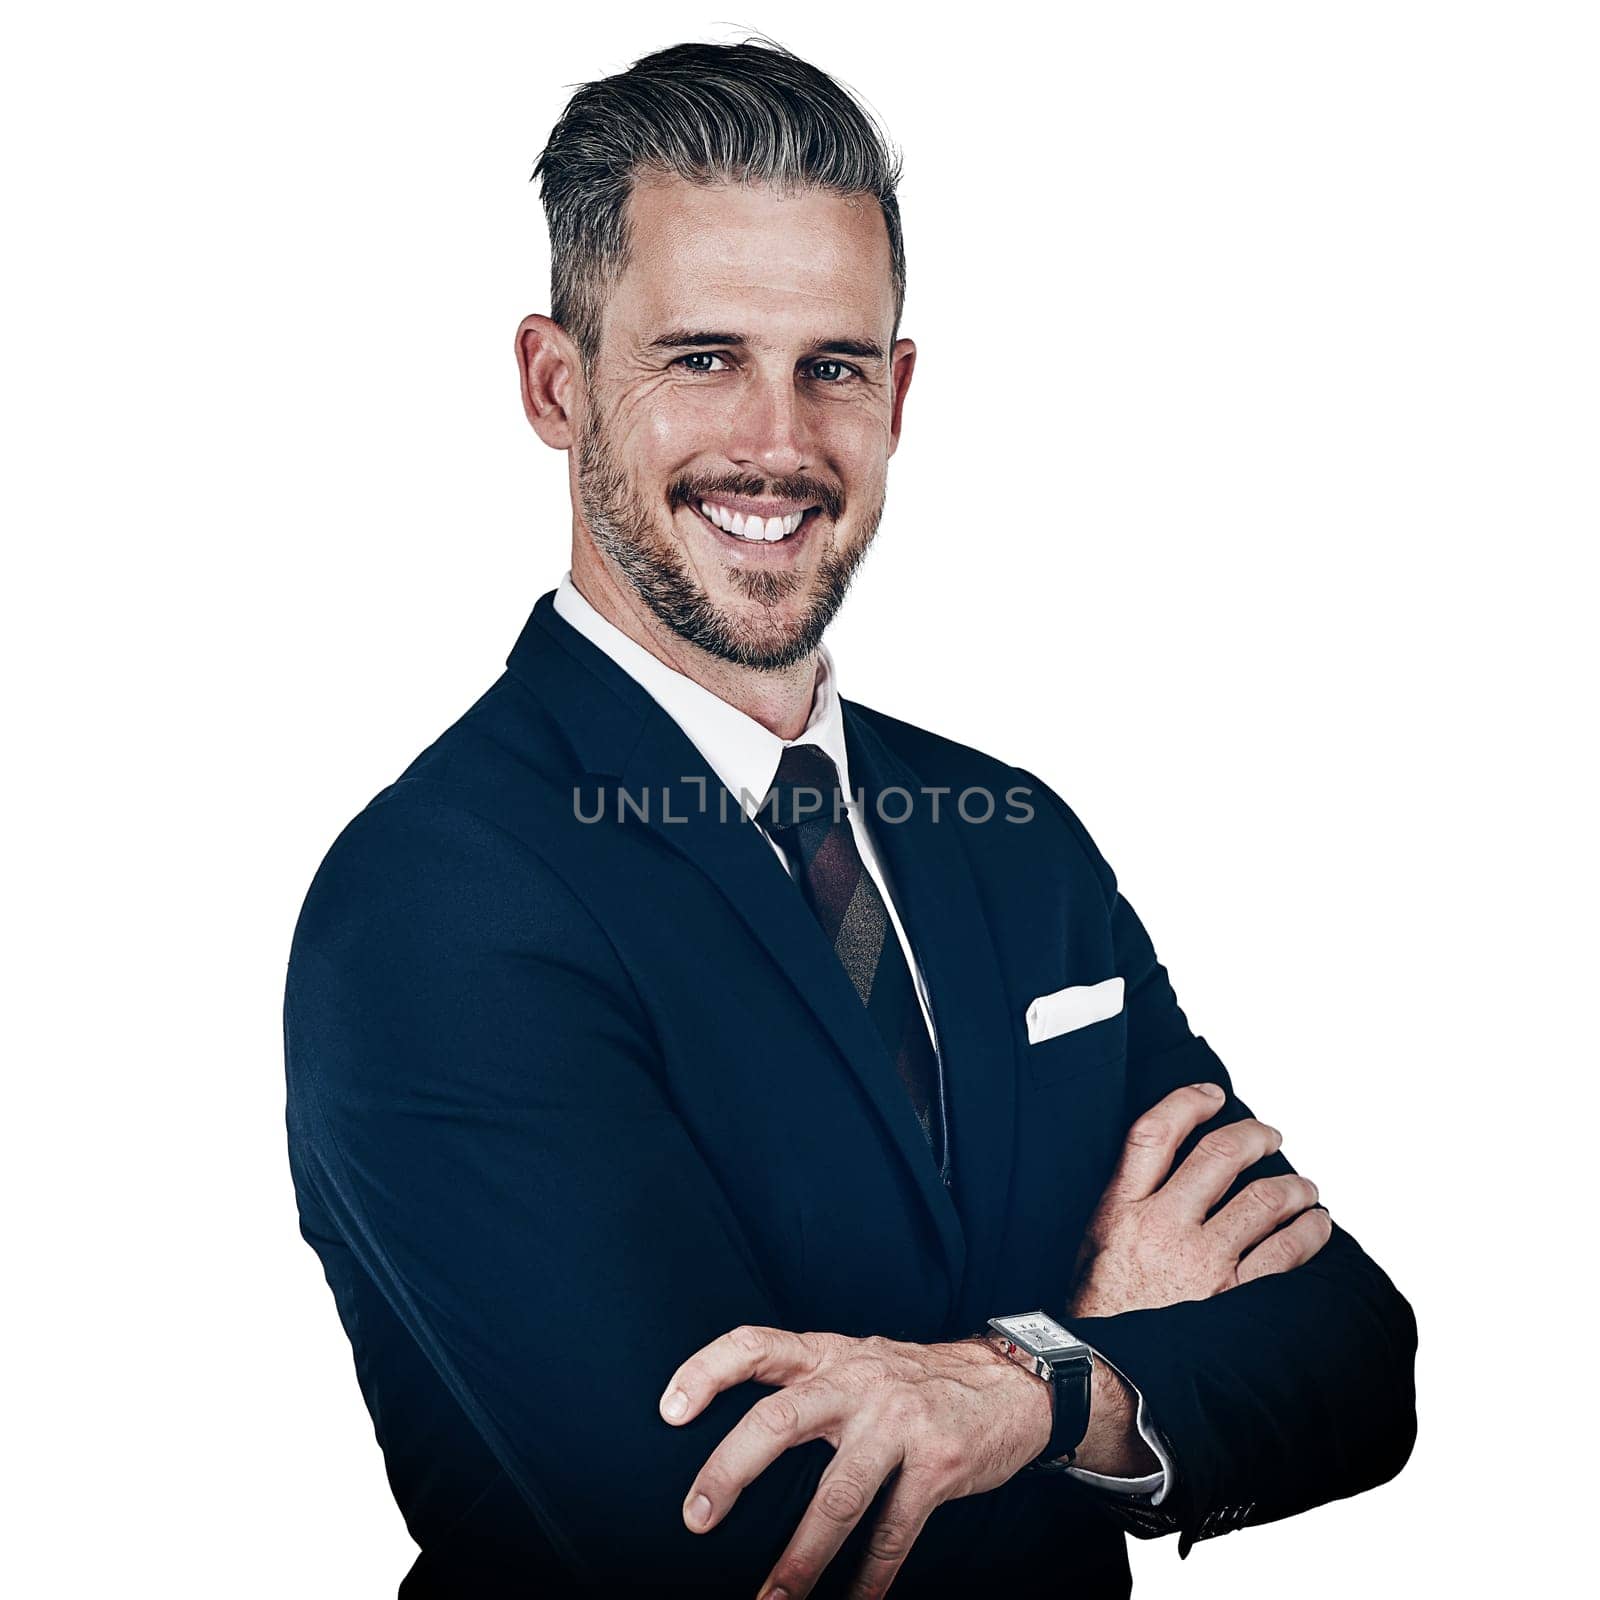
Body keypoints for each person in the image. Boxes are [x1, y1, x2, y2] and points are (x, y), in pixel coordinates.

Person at [283, 38, 1416, 1599]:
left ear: (897, 393)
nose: (779, 442)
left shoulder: (1014, 839)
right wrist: (1092, 1365)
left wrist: (1015, 1390)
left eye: (832, 365)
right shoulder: (435, 905)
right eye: (701, 358)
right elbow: (727, 1543)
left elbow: (1357, 1358)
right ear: (556, 384)